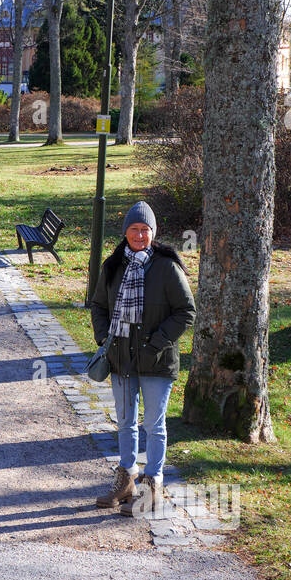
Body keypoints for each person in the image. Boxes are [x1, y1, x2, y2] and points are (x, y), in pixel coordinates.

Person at [89, 200, 196, 518]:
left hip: (157, 361)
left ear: (153, 233)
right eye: (134, 229)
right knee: (125, 423)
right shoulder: (113, 265)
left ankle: (153, 485)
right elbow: (98, 306)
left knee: (154, 424)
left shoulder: (166, 267)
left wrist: (156, 343)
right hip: (121, 359)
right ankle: (126, 480)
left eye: (144, 230)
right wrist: (103, 339)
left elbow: (186, 311)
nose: (139, 235)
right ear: (126, 232)